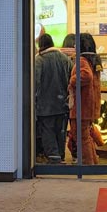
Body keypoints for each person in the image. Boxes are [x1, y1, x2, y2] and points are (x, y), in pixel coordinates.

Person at [34, 33, 74, 163]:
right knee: (60, 131)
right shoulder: (65, 59)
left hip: (45, 105)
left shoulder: (39, 60)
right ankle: (61, 156)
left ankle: (53, 158)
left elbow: (35, 83)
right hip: (63, 104)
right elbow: (72, 79)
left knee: (48, 131)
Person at [67, 33, 102, 165]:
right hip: (90, 104)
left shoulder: (81, 60)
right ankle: (92, 160)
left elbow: (86, 76)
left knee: (81, 136)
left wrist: (72, 81)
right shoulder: (94, 60)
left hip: (82, 105)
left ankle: (87, 162)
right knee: (86, 135)